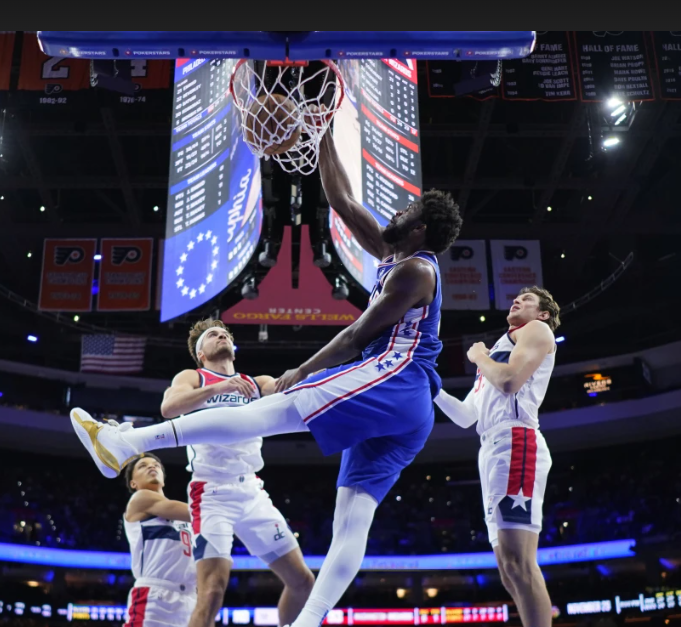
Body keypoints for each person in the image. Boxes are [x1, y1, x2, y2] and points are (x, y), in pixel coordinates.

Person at [70, 130, 462, 627]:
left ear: (419, 228)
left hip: (394, 377)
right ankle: (308, 622)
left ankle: (127, 443)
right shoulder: (395, 253)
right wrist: (322, 133)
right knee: (351, 519)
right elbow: (341, 199)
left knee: (265, 413)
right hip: (404, 406)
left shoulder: (417, 272)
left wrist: (301, 372)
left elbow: (355, 336)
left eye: (407, 210)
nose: (397, 211)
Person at [159, 319, 315, 627]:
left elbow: (290, 387)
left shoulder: (255, 383)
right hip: (211, 493)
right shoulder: (194, 377)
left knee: (303, 582)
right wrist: (220, 387)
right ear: (201, 353)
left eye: (225, 334)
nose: (221, 336)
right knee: (212, 593)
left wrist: (314, 374)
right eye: (213, 335)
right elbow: (169, 408)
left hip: (252, 492)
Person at [433, 287, 561, 627]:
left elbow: (509, 382)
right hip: (490, 447)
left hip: (516, 438)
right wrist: (432, 387)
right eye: (517, 296)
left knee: (519, 561)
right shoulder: (499, 352)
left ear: (543, 313)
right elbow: (466, 416)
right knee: (507, 567)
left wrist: (478, 357)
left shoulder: (536, 330)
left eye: (528, 299)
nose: (517, 299)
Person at [121, 452, 197, 627]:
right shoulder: (140, 499)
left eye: (156, 465)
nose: (151, 466)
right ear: (133, 483)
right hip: (155, 596)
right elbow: (199, 513)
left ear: (163, 478)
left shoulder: (184, 520)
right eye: (143, 466)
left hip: (190, 599)